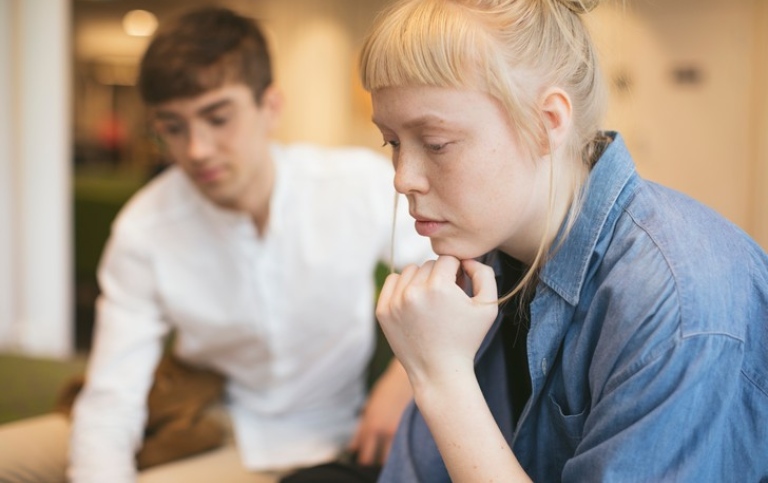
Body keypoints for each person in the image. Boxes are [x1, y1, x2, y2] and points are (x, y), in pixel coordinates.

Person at [283, 0, 768, 481]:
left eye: (435, 144)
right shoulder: (479, 261)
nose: (403, 178)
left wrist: (442, 380)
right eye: (392, 143)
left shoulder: (679, 301)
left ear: (547, 122)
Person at [0, 6, 434, 483]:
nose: (196, 149)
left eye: (217, 117)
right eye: (172, 127)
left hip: (304, 438)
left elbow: (448, 265)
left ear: (270, 106)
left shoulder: (352, 184)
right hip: (186, 410)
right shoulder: (146, 226)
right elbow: (112, 394)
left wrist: (405, 380)